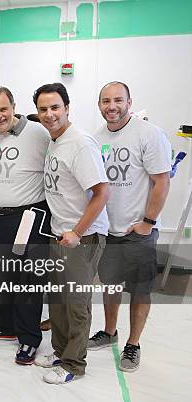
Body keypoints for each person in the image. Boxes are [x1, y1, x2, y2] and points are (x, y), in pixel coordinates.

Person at [88, 81, 171, 372]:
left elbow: (162, 180)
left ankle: (133, 344)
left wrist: (147, 223)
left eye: (118, 100)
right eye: (105, 101)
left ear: (129, 102)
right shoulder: (96, 139)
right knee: (110, 286)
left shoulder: (148, 134)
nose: (112, 106)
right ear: (99, 105)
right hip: (108, 231)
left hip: (138, 232)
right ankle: (110, 332)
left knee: (139, 290)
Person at [31, 83, 109, 385]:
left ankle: (74, 364)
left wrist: (78, 232)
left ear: (67, 108)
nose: (49, 114)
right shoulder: (56, 141)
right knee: (58, 301)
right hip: (59, 234)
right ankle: (62, 352)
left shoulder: (80, 143)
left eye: (55, 107)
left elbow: (101, 193)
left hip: (82, 237)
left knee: (76, 304)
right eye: (43, 109)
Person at [0, 86, 51, 366]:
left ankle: (29, 338)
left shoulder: (38, 133)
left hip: (25, 217)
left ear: (14, 106)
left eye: (3, 109)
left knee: (26, 282)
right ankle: (4, 325)